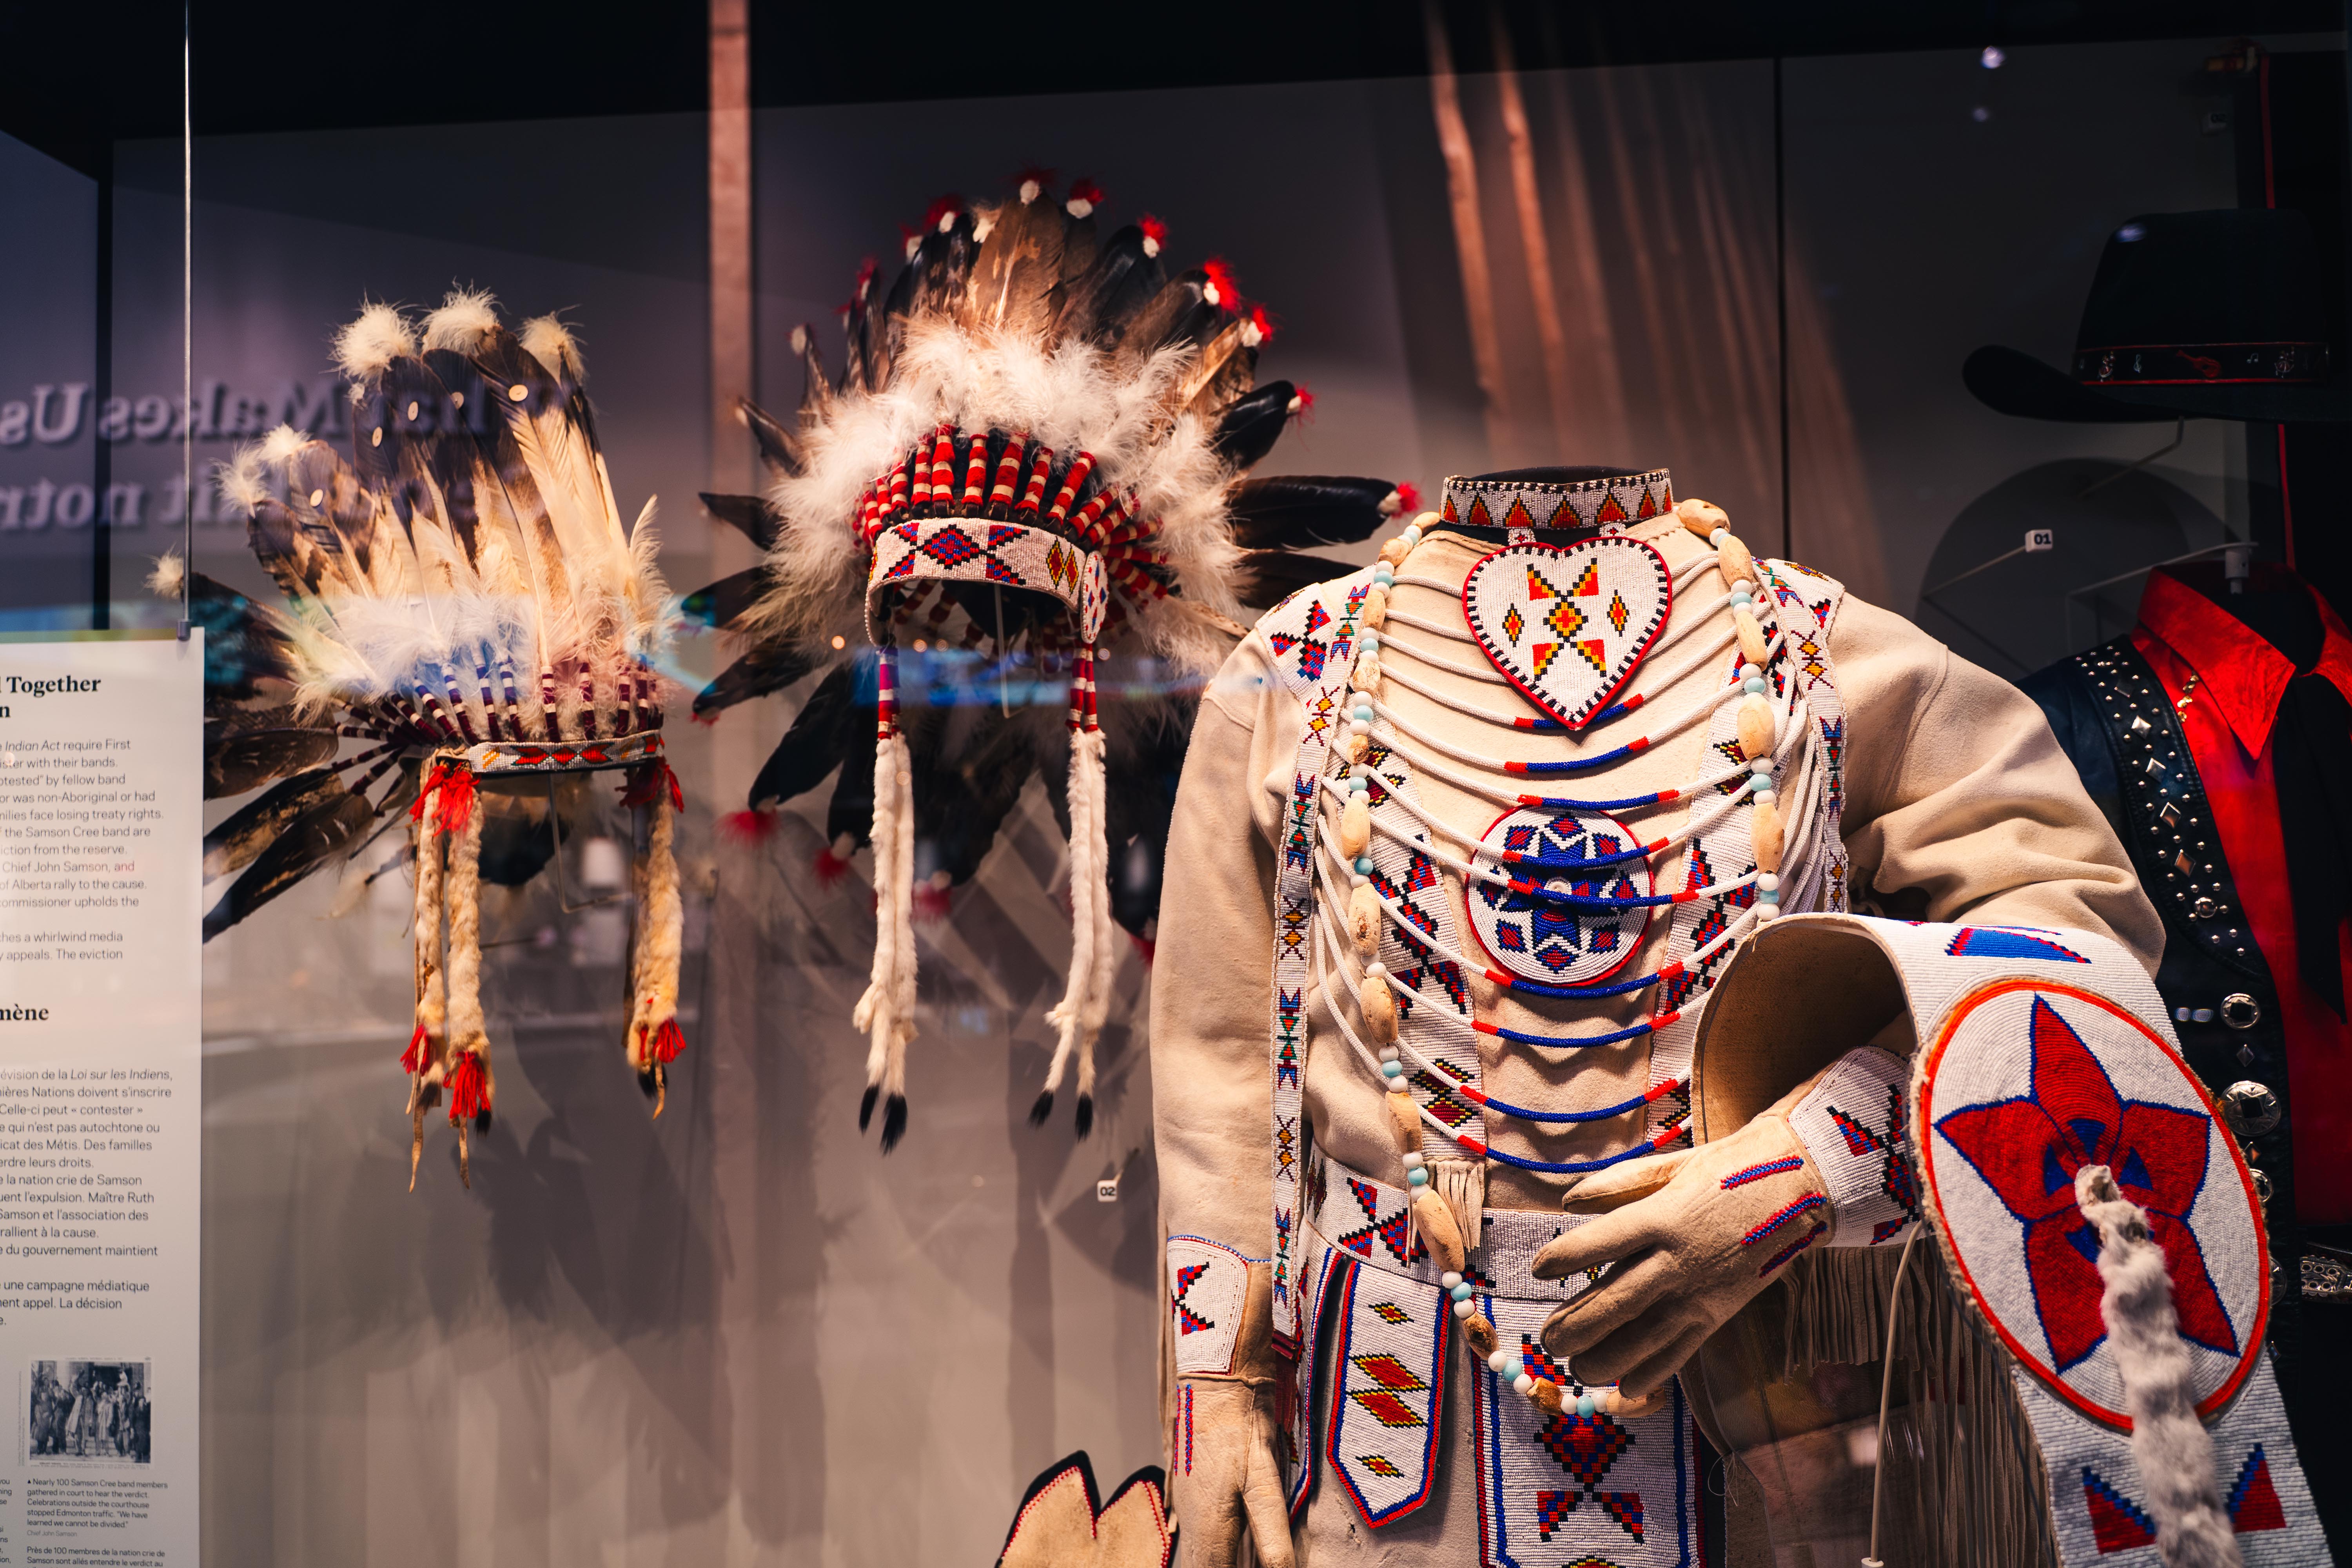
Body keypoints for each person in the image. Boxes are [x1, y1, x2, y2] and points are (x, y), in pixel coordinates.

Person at [1151, 468, 2321, 1564]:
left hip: (1775, 1397)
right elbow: (1219, 1049)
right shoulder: (1307, 665)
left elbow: (2079, 949)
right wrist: (1217, 1380)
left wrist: (1813, 1163)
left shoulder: (1810, 646)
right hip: (1401, 1419)